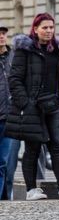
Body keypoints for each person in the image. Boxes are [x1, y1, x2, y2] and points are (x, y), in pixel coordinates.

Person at [7, 14, 59, 200]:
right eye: (45, 28)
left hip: (53, 105)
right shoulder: (24, 50)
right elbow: (15, 79)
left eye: (51, 27)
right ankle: (31, 190)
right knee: (32, 148)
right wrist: (25, 103)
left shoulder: (54, 50)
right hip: (32, 107)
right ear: (35, 29)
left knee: (58, 146)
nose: (49, 31)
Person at [0, 24, 11, 196]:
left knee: (3, 162)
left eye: (3, 34)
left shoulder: (14, 57)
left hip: (8, 118)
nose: (1, 36)